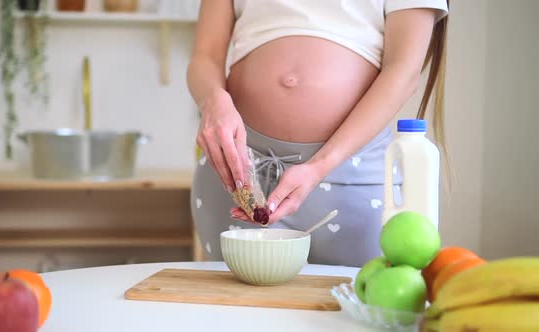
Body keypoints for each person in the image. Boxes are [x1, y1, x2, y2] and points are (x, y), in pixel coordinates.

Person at [187, 0, 449, 267]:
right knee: (231, 305)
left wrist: (319, 166)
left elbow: (404, 71)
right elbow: (205, 56)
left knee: (351, 304)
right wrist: (213, 102)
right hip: (238, 169)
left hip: (350, 176)